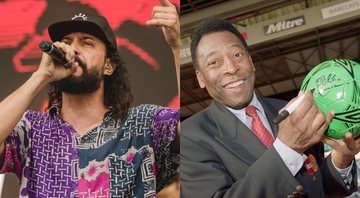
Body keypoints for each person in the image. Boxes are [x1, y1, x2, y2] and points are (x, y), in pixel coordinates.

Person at [0, 0, 180, 197]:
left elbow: (192, 130)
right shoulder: (31, 129)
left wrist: (177, 46)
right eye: (67, 42)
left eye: (87, 42)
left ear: (108, 66)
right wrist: (41, 76)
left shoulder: (142, 124)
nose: (74, 49)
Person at [180, 17, 360, 198]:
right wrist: (288, 148)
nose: (231, 68)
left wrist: (342, 159)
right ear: (200, 78)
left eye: (237, 55)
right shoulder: (189, 136)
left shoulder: (292, 111)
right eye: (214, 62)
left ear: (250, 61)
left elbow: (319, 186)